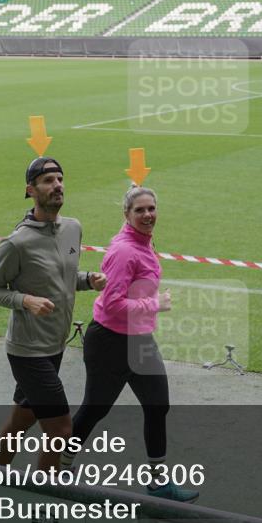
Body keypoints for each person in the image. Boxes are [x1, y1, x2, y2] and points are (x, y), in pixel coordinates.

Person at [61, 185, 198, 502]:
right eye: (140, 210)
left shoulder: (143, 243)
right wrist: (155, 305)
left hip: (137, 339)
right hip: (110, 342)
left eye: (152, 208)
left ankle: (158, 482)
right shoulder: (124, 252)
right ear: (127, 214)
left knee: (157, 405)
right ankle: (59, 468)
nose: (148, 215)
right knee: (95, 410)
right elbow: (111, 305)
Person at [0, 157, 106, 471]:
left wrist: (88, 281)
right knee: (61, 431)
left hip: (54, 345)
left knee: (21, 421)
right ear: (30, 190)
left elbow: (62, 278)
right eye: (48, 181)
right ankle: (40, 506)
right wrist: (26, 301)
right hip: (28, 352)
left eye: (60, 179)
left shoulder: (73, 228)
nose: (58, 186)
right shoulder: (16, 243)